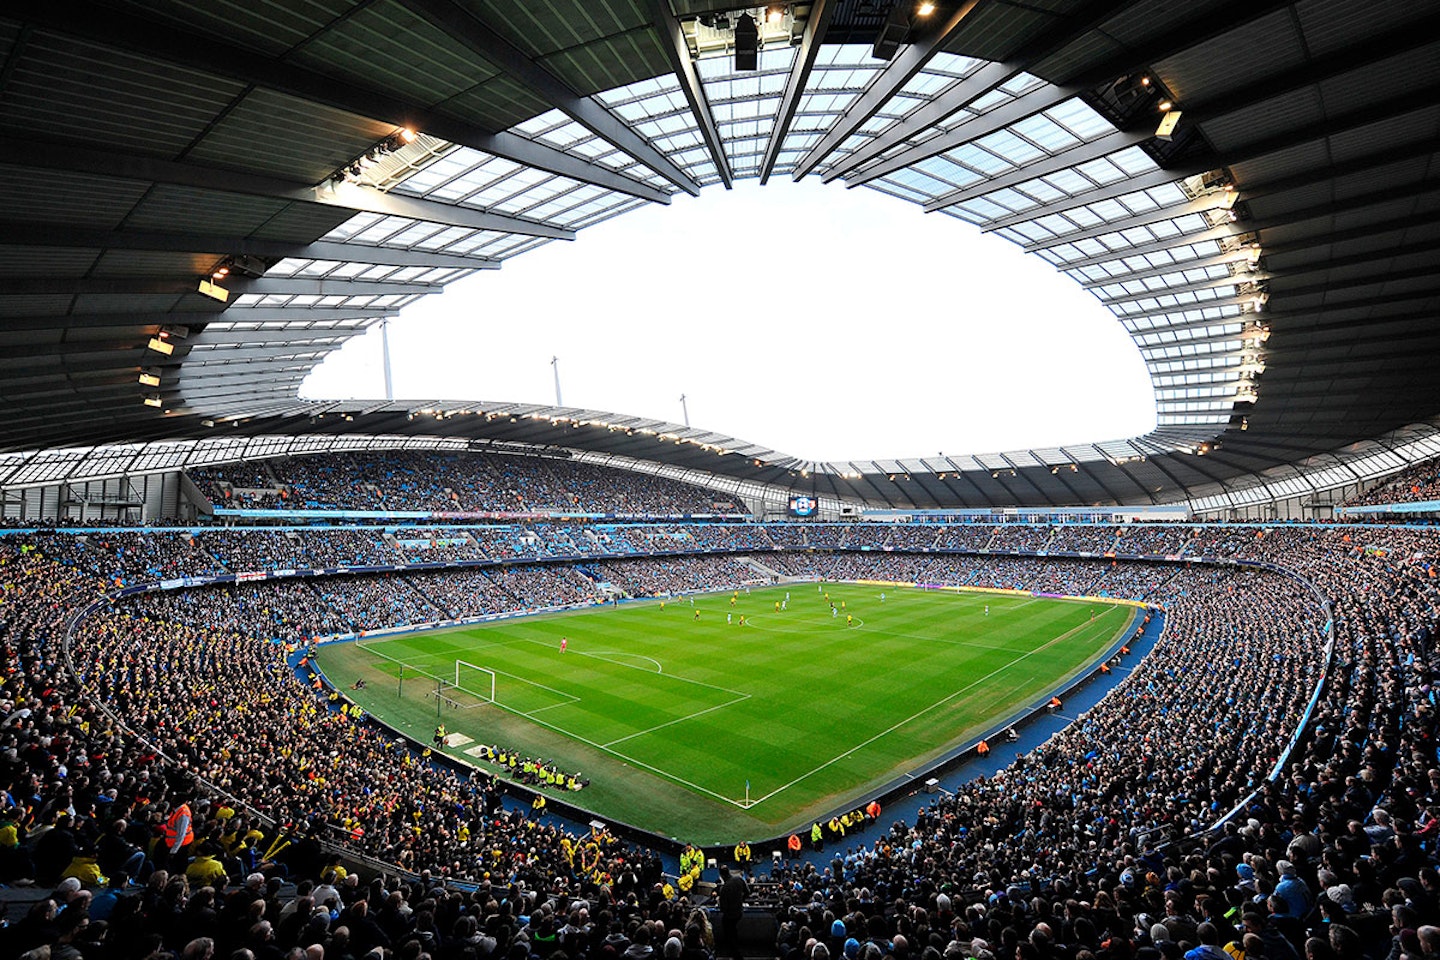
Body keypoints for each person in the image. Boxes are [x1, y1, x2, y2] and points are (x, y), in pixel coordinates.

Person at [717, 865, 747, 959]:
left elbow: (723, 908)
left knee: (729, 930)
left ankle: (734, 953)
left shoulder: (724, 889)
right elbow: (747, 892)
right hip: (739, 911)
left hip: (730, 915)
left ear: (721, 875)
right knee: (733, 930)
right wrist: (740, 901)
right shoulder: (739, 879)